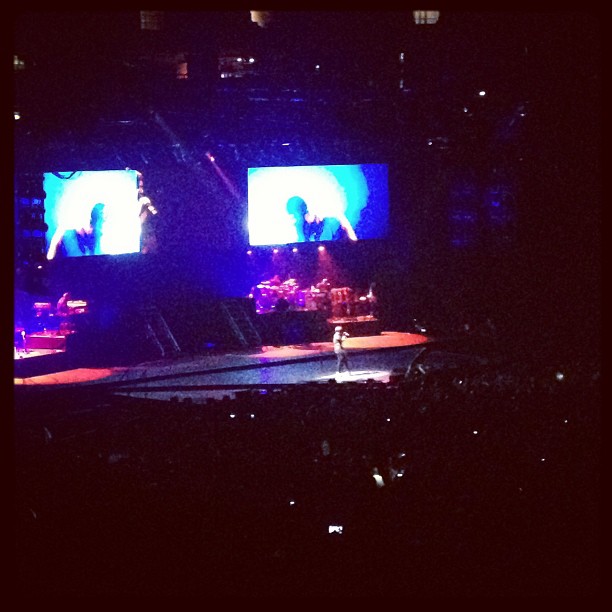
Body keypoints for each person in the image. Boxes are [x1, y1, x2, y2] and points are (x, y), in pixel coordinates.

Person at [286, 196, 358, 243]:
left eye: (294, 213)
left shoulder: (326, 220)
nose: (294, 217)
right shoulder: (300, 226)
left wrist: (354, 241)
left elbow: (345, 224)